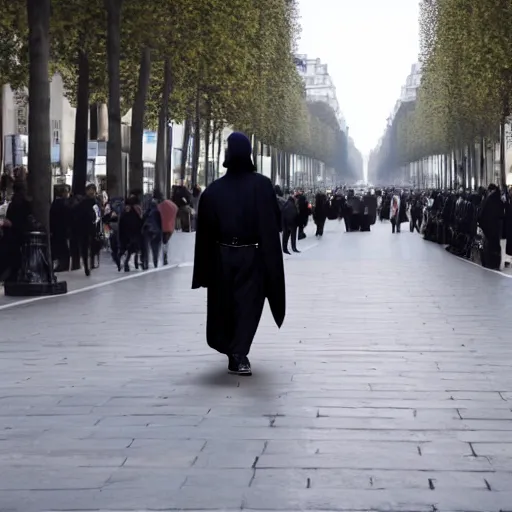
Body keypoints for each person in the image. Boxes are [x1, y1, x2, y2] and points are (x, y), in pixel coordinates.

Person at [192, 132, 285, 376]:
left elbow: (204, 232)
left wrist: (203, 269)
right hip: (252, 255)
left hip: (222, 255)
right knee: (248, 305)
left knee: (225, 305)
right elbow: (276, 221)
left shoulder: (213, 191)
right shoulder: (262, 186)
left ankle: (235, 350)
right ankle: (239, 352)